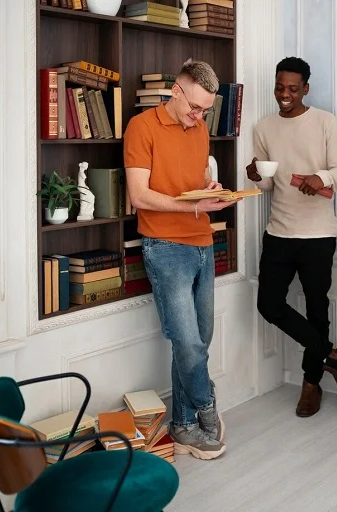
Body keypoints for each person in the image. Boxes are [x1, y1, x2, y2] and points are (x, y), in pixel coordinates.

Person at [124, 59, 236, 460]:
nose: (199, 115)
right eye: (195, 107)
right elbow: (139, 195)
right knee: (187, 341)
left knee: (198, 341)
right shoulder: (142, 127)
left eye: (206, 110)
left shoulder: (201, 127)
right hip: (165, 246)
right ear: (176, 91)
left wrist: (211, 190)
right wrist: (192, 208)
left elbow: (190, 186)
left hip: (203, 242)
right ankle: (207, 409)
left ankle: (183, 426)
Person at [247, 56, 337, 418]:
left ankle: (311, 384)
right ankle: (333, 355)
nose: (285, 94)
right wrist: (254, 174)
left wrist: (320, 179)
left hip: (318, 233)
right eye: (280, 87)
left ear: (305, 88)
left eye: (293, 88)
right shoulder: (263, 128)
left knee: (316, 308)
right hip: (279, 231)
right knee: (269, 304)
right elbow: (267, 182)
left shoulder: (325, 122)